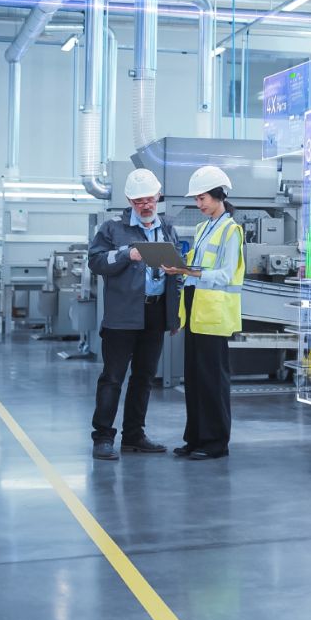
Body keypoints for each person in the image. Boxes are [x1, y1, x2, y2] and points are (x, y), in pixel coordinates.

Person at [86, 169, 181, 461]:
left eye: (150, 199)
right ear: (129, 200)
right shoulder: (112, 228)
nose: (145, 205)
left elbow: (175, 273)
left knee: (144, 377)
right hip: (122, 317)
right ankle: (103, 437)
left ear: (158, 196)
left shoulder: (166, 227)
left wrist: (173, 315)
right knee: (113, 378)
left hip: (154, 312)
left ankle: (134, 435)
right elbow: (96, 262)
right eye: (139, 200)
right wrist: (128, 254)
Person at [162, 166, 245, 460]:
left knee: (213, 381)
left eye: (203, 198)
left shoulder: (231, 230)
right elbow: (195, 270)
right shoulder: (201, 229)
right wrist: (178, 268)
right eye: (197, 199)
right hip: (196, 311)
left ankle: (215, 443)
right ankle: (195, 438)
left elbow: (224, 275)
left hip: (214, 315)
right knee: (194, 380)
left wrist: (185, 269)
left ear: (220, 195)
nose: (199, 205)